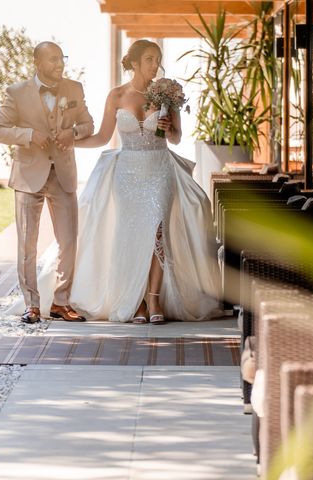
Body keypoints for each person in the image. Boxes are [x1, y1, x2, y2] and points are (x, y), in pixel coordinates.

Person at [69, 39, 222, 323]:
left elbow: (176, 138)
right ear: (135, 62)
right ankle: (135, 300)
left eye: (158, 59)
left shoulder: (166, 93)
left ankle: (153, 300)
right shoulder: (116, 96)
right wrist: (71, 142)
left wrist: (168, 128)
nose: (155, 65)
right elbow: (103, 137)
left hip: (159, 168)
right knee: (129, 233)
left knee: (158, 231)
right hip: (127, 172)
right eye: (150, 59)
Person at [0, 41, 94, 324]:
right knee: (27, 245)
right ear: (37, 62)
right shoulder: (16, 92)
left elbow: (89, 124)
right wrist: (28, 135)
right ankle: (31, 304)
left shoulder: (74, 89)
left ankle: (61, 302)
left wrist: (73, 132)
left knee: (69, 241)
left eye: (62, 58)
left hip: (63, 174)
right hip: (28, 177)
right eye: (52, 59)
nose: (59, 64)